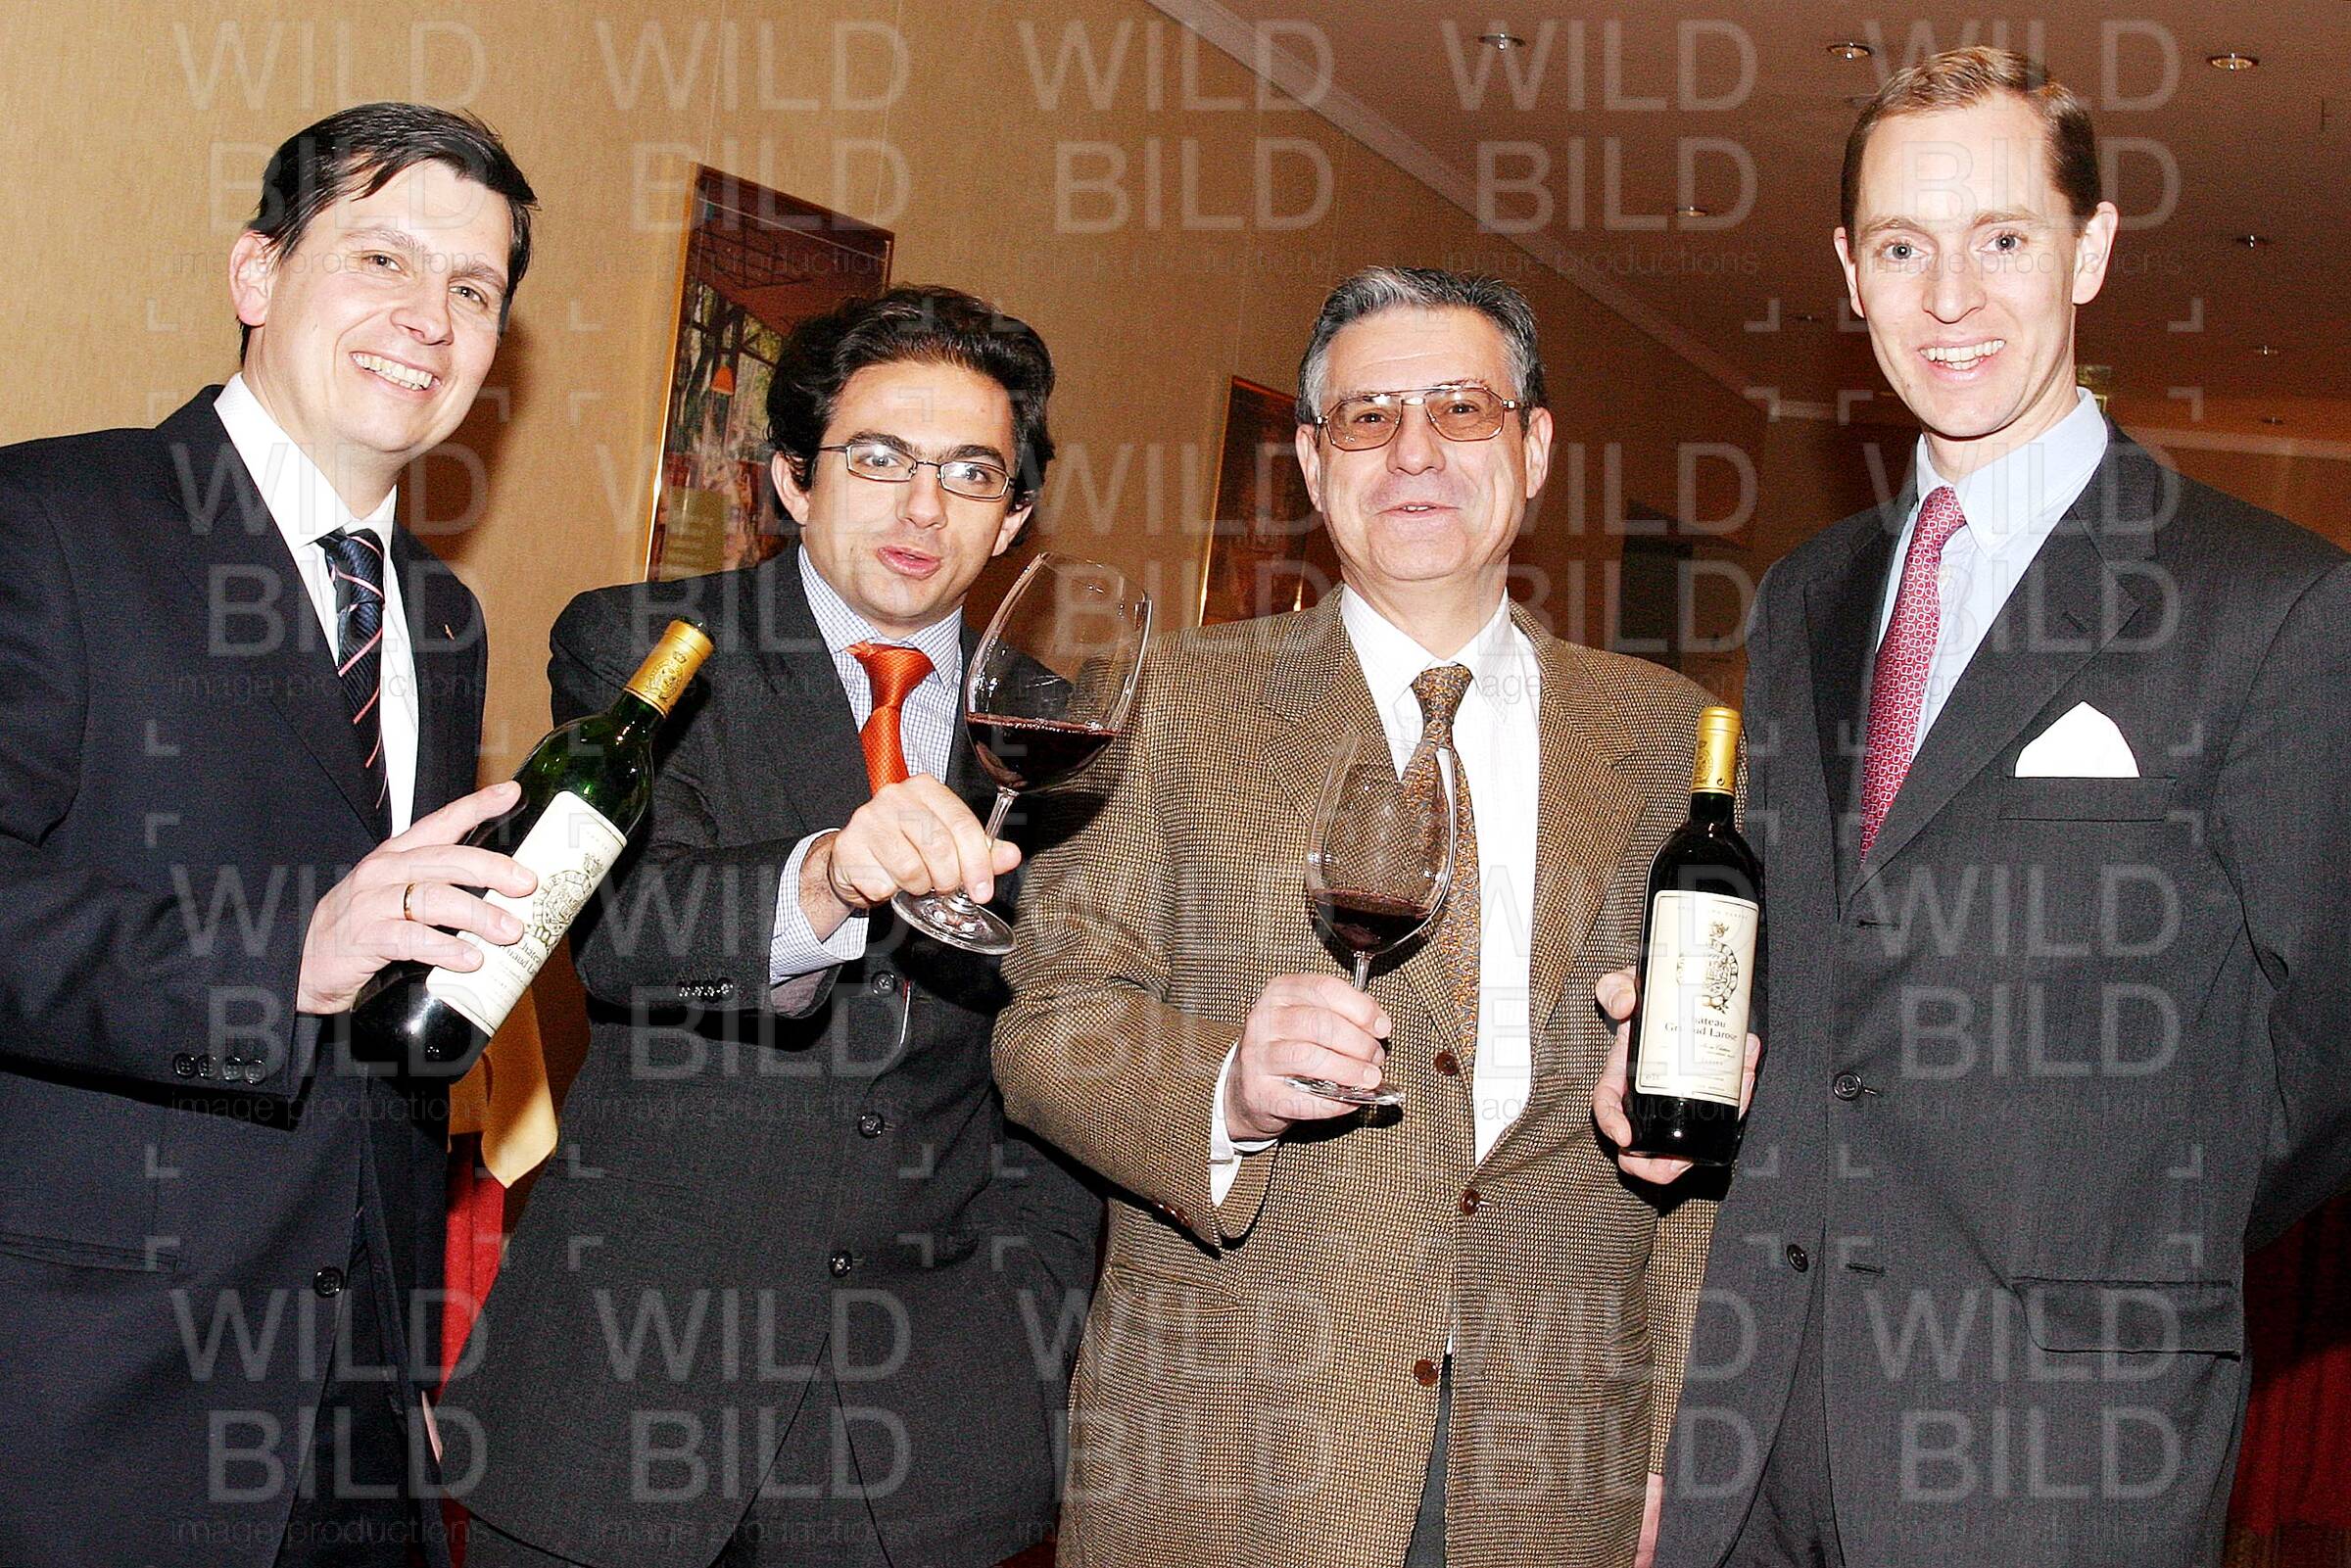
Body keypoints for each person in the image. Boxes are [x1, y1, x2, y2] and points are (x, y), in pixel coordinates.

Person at [1594, 47, 2351, 1568]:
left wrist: (2105, 1232)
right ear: (1848, 274)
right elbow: (1827, 974)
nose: (1949, 298)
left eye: (2002, 237)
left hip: (2056, 1454)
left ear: (2092, 247)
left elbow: (2323, 1058)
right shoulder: (1808, 596)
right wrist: (1703, 1069)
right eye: (1901, 247)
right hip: (1758, 1436)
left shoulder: (2268, 605)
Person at [995, 266, 1725, 1567]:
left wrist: (1679, 1438)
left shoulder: (1670, 736)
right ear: (1314, 465)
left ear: (1534, 449)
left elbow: (1700, 1149)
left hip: (1559, 1467)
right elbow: (1050, 1027)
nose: (1416, 451)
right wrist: (1225, 1085)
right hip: (1233, 1461)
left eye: (1461, 408)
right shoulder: (1170, 701)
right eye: (1370, 417)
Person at [447, 286, 1102, 1568]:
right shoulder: (648, 648)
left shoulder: (1056, 729)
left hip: (927, 1433)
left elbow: (1072, 1039)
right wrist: (827, 878)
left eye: (972, 473)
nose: (925, 509)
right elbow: (622, 928)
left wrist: (1030, 1313)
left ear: (1017, 515)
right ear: (794, 479)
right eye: (880, 459)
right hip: (623, 1397)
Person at [0, 104, 539, 1567]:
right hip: (85, 1398)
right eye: (382, 258)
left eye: (474, 288)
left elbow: (393, 1037)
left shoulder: (442, 620)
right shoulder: (52, 517)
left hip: (350, 1414)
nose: (429, 319)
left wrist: (402, 1351)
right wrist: (279, 960)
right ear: (256, 272)